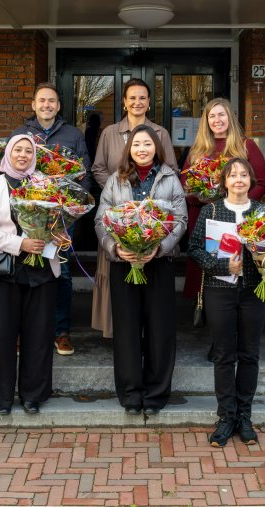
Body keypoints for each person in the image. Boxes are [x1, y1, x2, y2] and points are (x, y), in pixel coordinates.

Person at [94, 124, 187, 415]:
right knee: (127, 330)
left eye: (147, 144)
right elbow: (101, 220)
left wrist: (159, 248)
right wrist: (115, 248)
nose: (142, 149)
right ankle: (131, 394)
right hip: (124, 264)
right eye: (136, 145)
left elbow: (180, 220)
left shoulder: (171, 178)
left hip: (159, 264)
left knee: (160, 330)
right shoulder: (115, 180)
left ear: (156, 148)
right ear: (129, 149)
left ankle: (156, 394)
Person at [187, 158, 265, 448]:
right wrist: (224, 267)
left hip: (254, 291)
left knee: (250, 354)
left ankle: (244, 417)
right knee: (224, 355)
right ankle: (226, 417)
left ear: (251, 181)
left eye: (243, 175)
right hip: (218, 290)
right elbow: (194, 249)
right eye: (233, 175)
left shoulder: (262, 212)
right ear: (224, 182)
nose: (238, 180)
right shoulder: (211, 210)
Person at [0, 134, 61, 415]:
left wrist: (57, 236)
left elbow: (57, 224)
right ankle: (1, 397)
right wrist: (21, 244)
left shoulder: (45, 185)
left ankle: (33, 395)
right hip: (4, 270)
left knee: (38, 336)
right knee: (0, 334)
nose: (23, 155)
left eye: (28, 151)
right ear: (9, 154)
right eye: (18, 150)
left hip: (40, 269)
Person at [90, 78, 178, 338]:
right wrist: (121, 192)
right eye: (132, 98)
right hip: (119, 218)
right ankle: (118, 331)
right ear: (124, 102)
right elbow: (98, 169)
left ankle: (148, 333)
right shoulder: (109, 133)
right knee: (117, 267)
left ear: (149, 103)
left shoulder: (160, 133)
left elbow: (170, 169)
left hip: (153, 217)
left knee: (151, 274)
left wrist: (150, 201)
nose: (137, 102)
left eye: (142, 98)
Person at [11, 82, 90, 357]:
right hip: (28, 219)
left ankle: (61, 332)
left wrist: (73, 211)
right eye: (41, 101)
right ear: (33, 105)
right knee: (25, 274)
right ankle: (25, 330)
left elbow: (84, 175)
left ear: (58, 106)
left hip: (61, 219)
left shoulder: (73, 135)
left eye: (52, 101)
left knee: (62, 274)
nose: (47, 105)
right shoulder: (21, 134)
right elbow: (10, 173)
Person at [182, 98, 265, 300]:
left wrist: (240, 205)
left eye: (221, 114)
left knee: (237, 265)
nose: (217, 120)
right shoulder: (197, 150)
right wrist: (201, 199)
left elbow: (262, 183)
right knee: (205, 263)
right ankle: (204, 306)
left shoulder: (246, 146)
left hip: (240, 219)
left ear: (230, 117)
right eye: (211, 116)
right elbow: (185, 185)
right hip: (204, 217)